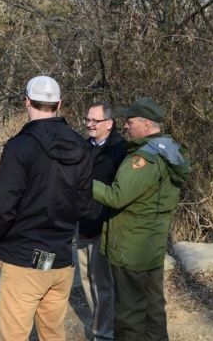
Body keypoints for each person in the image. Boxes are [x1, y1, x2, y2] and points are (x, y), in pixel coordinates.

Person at [0, 75, 93, 340]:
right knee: (53, 334)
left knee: (14, 336)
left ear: (26, 102)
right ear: (59, 104)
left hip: (24, 259)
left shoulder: (20, 147)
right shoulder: (81, 146)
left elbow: (4, 204)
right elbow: (84, 204)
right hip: (60, 259)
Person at [92, 97, 190, 341]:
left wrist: (84, 182)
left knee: (129, 316)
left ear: (146, 125)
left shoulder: (144, 159)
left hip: (131, 250)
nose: (125, 126)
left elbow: (116, 197)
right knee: (153, 309)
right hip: (151, 246)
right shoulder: (167, 149)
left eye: (130, 122)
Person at [77, 102, 127, 341]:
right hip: (81, 222)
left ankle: (104, 333)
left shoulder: (120, 150)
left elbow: (120, 192)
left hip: (104, 224)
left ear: (109, 123)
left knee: (103, 284)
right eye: (87, 119)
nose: (89, 124)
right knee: (86, 280)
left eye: (94, 121)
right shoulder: (81, 147)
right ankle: (101, 325)